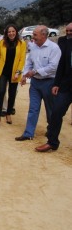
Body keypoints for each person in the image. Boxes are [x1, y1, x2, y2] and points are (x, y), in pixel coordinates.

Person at [15, 25, 61, 141]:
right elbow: (29, 62)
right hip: (35, 83)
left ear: (44, 35)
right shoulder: (33, 47)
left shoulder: (54, 48)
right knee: (33, 108)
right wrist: (25, 75)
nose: (33, 37)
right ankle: (28, 133)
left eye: (35, 35)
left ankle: (51, 133)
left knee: (50, 109)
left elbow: (53, 67)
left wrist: (35, 71)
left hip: (49, 82)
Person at [35, 22, 72, 151]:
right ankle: (52, 142)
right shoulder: (63, 41)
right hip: (66, 85)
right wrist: (56, 83)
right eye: (67, 31)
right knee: (56, 112)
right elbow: (61, 64)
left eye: (71, 31)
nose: (68, 33)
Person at [0, 24, 26, 127]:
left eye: (13, 31)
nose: (11, 33)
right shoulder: (2, 43)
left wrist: (18, 72)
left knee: (12, 94)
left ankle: (8, 113)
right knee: (1, 92)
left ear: (16, 32)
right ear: (6, 33)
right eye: (9, 32)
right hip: (2, 72)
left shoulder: (21, 43)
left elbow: (22, 59)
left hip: (14, 73)